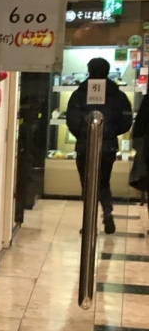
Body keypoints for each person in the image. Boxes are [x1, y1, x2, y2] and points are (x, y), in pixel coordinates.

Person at [66, 56, 132, 234]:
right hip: (108, 146)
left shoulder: (79, 94)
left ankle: (90, 224)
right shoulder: (118, 95)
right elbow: (126, 121)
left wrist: (83, 135)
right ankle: (107, 212)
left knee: (88, 184)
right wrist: (110, 133)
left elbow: (72, 120)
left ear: (89, 70)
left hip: (85, 146)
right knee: (103, 181)